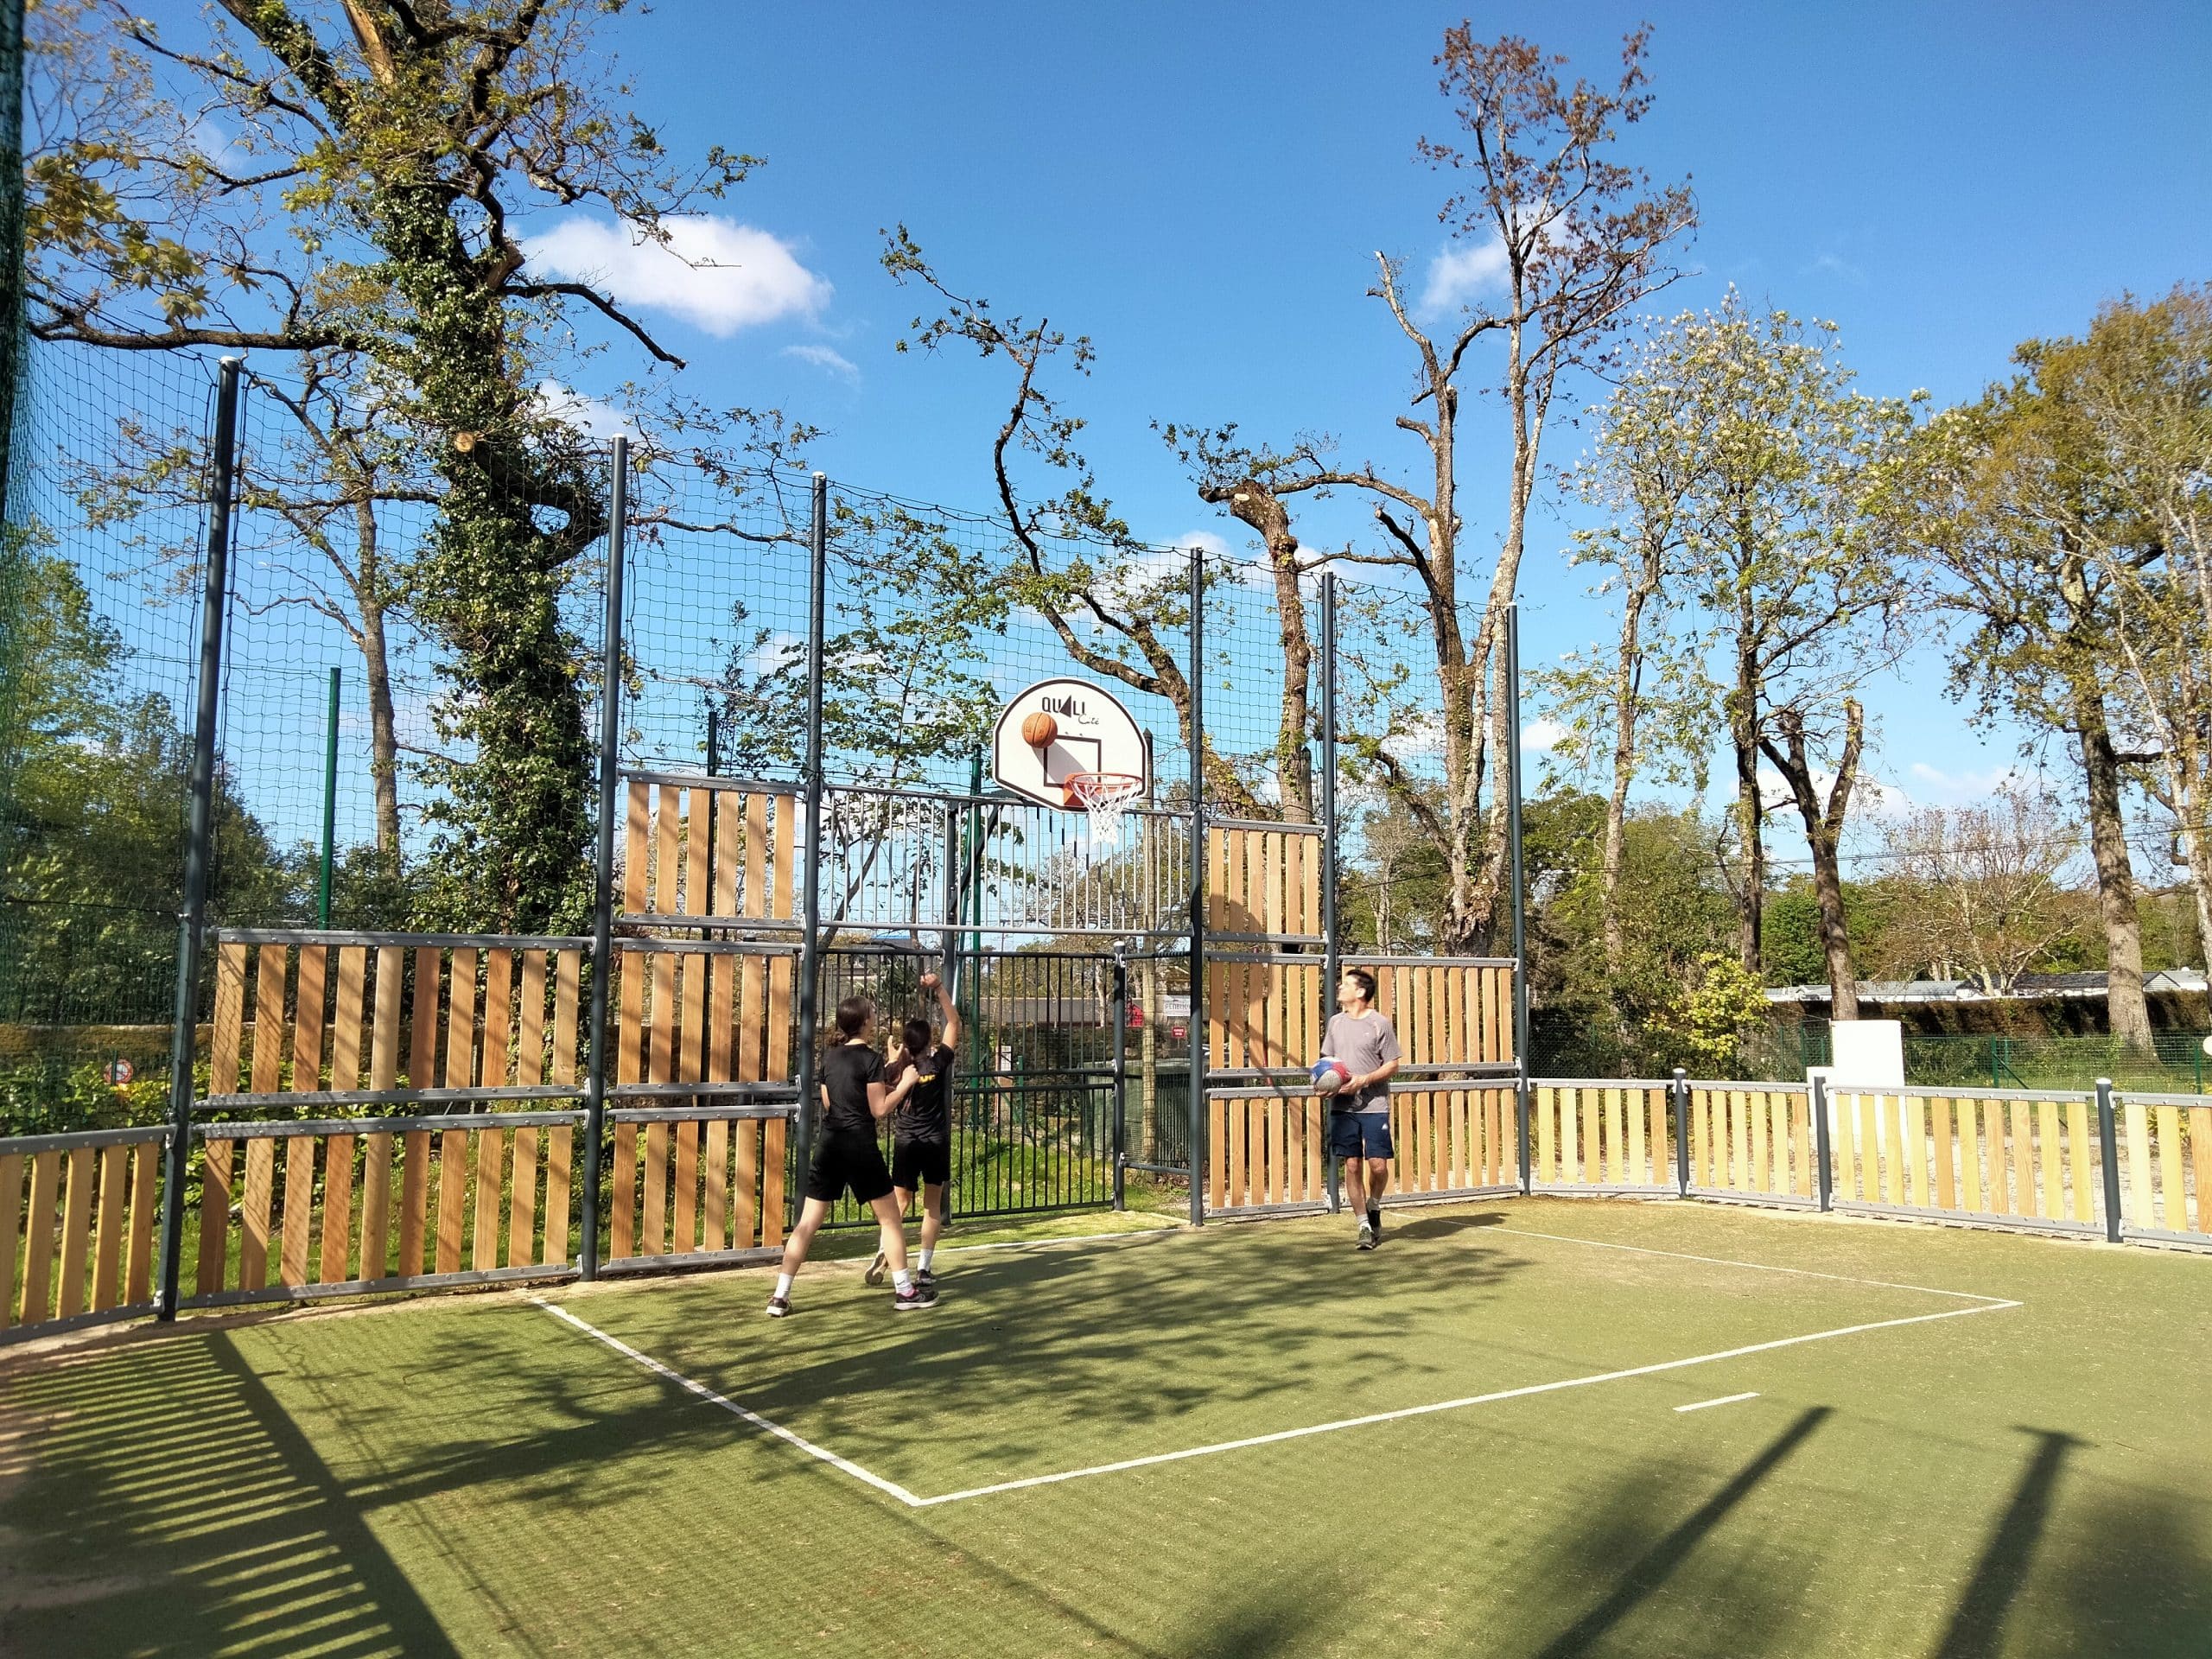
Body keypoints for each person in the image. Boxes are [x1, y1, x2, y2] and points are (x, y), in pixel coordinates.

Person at [766, 995, 938, 1317]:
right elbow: (879, 1110)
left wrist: (882, 1086)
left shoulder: (830, 1058)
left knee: (807, 1223)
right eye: (872, 1012)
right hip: (860, 1146)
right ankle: (905, 1291)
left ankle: (779, 1297)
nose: (874, 1015)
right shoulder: (871, 1059)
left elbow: (831, 1103)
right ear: (865, 1021)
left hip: (829, 1144)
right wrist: (905, 1084)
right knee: (890, 1220)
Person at [867, 970, 959, 1292]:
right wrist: (939, 988)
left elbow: (882, 1090)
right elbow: (954, 1022)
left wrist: (892, 1058)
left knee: (898, 1203)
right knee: (932, 1206)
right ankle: (924, 1268)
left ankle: (885, 1249)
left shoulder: (896, 1069)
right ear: (929, 1042)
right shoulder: (937, 1064)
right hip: (935, 1141)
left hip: (906, 1141)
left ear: (904, 1043)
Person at [1319, 967, 1402, 1249]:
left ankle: (1374, 1204)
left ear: (1360, 991)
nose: (1339, 988)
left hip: (1374, 1105)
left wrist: (1363, 1080)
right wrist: (1322, 1083)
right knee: (1352, 1164)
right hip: (1342, 1107)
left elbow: (1392, 1064)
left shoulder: (1380, 1023)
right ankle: (1364, 1226)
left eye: (1345, 984)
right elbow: (1327, 1063)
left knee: (1378, 1166)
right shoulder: (1335, 1023)